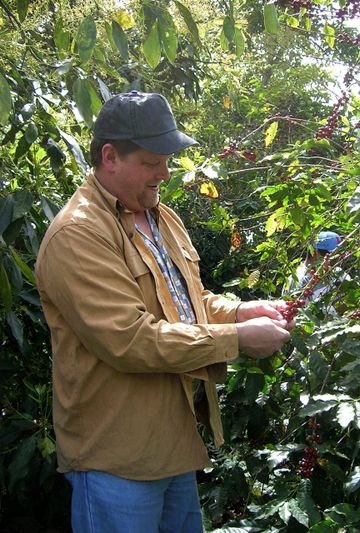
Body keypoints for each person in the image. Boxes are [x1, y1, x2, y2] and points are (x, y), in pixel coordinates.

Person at [35, 90, 295, 533]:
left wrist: (239, 312)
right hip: (117, 459)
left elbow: (186, 302)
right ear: (110, 156)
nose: (165, 173)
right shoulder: (78, 234)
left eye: (167, 160)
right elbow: (130, 339)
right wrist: (237, 340)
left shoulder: (161, 217)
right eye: (153, 162)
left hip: (173, 443)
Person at [284, 230, 347, 314]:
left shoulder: (339, 273)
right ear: (316, 253)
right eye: (335, 256)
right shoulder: (297, 281)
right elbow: (293, 314)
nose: (339, 259)